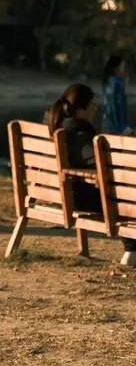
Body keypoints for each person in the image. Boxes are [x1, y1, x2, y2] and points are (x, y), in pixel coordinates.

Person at [47, 83, 136, 266]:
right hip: (79, 198)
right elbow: (96, 160)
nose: (95, 110)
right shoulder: (77, 131)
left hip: (61, 192)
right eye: (92, 106)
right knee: (125, 196)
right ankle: (132, 251)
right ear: (80, 110)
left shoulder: (58, 126)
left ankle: (132, 250)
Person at [102, 55, 131, 136]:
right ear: (115, 68)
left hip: (111, 124)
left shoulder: (109, 81)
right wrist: (120, 129)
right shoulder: (115, 82)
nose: (123, 70)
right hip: (114, 126)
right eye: (122, 67)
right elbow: (113, 106)